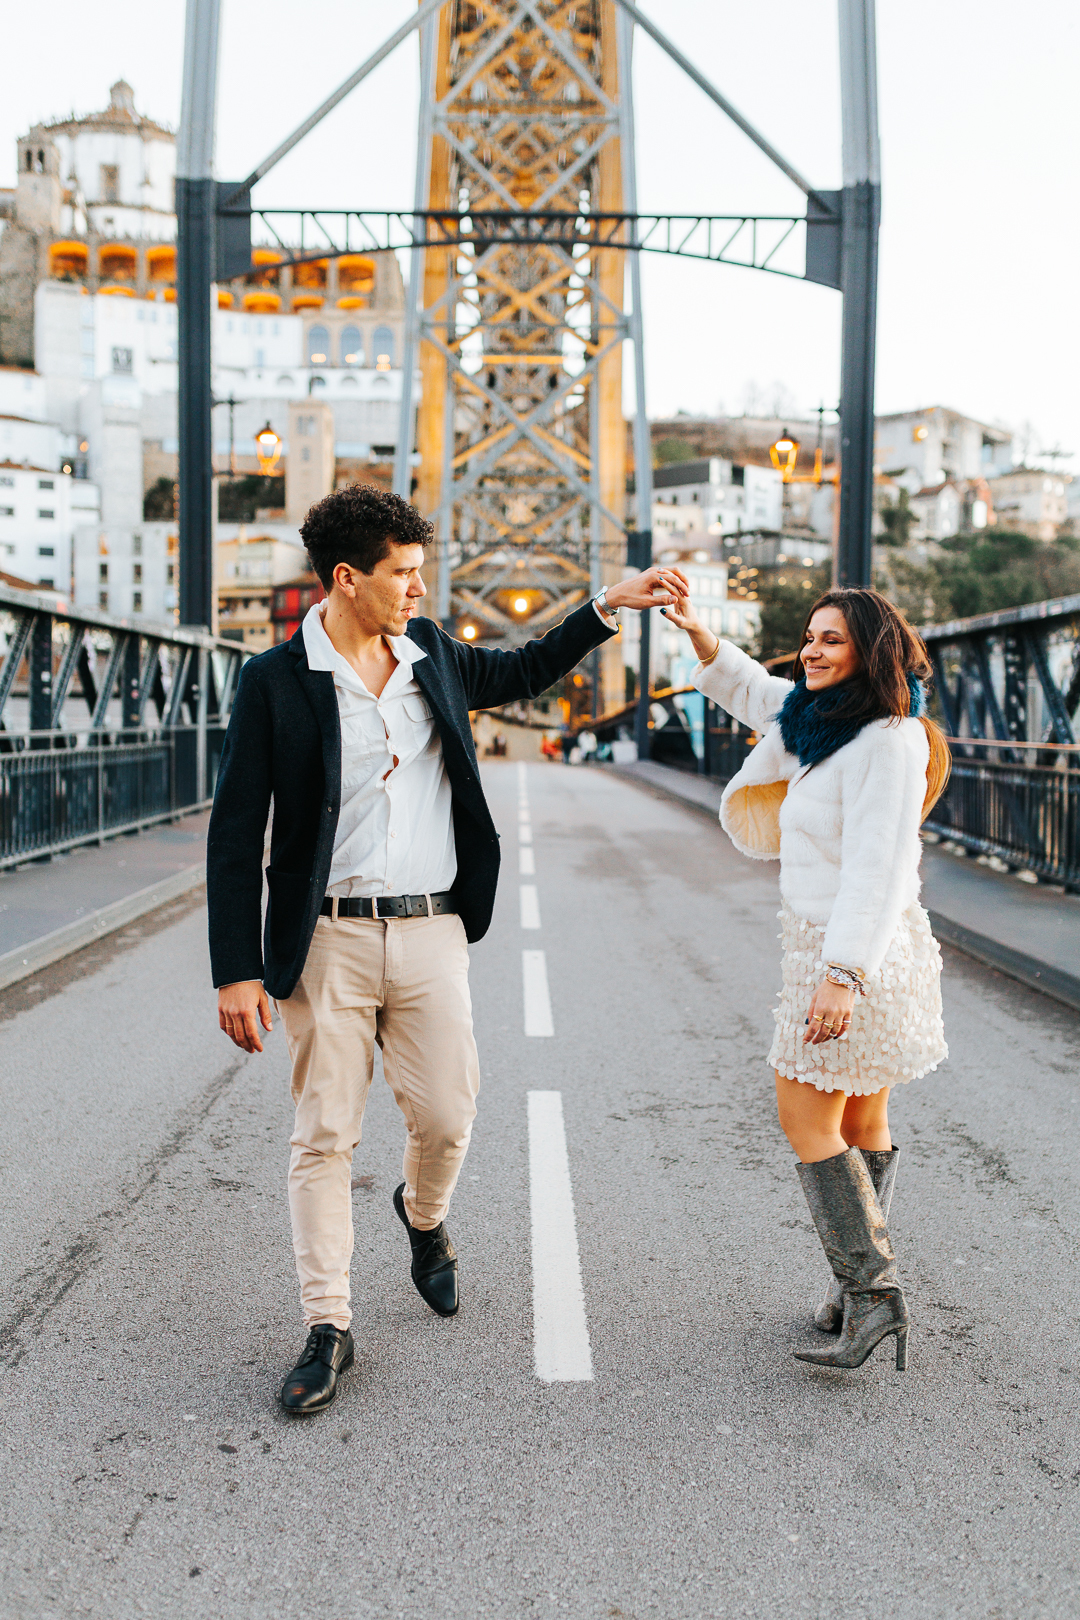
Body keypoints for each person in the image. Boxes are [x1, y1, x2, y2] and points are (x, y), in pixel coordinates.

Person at [207, 483, 683, 1414]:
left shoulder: (429, 651)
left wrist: (606, 607)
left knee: (449, 1115)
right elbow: (235, 833)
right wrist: (236, 970)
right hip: (327, 938)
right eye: (404, 573)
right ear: (347, 580)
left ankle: (422, 1217)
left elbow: (523, 669)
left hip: (429, 929)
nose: (419, 588)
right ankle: (329, 1325)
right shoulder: (273, 682)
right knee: (323, 1137)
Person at [661, 581, 950, 1372]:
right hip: (841, 950)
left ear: (871, 651)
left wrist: (843, 976)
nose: (812, 651)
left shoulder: (888, 741)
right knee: (859, 1122)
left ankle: (873, 1295)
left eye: (832, 640)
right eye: (809, 637)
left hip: (853, 955)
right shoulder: (822, 719)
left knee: (804, 1119)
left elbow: (878, 869)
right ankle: (855, 1292)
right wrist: (698, 633)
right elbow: (760, 695)